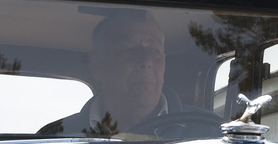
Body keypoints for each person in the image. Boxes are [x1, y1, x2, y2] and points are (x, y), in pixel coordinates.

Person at [39, 10, 194, 137]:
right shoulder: (54, 137)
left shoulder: (211, 133)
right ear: (97, 64)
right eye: (129, 49)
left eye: (155, 50)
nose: (146, 61)